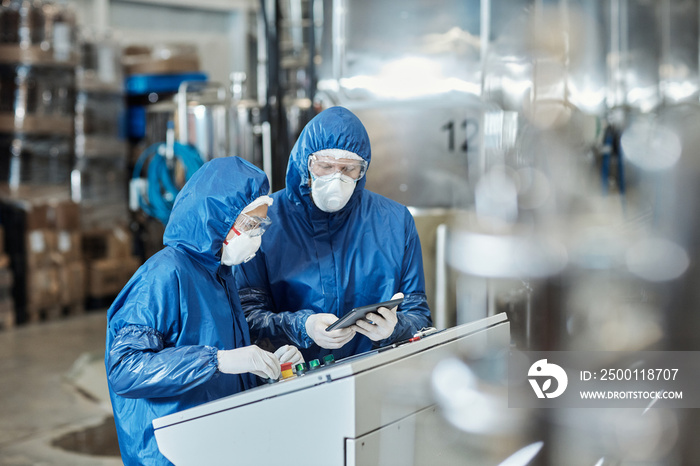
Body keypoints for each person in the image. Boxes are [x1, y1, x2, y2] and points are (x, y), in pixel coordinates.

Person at [105, 156, 303, 466]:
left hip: (211, 441)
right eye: (250, 224)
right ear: (218, 217)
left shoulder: (220, 275)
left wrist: (270, 368)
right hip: (169, 452)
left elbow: (225, 369)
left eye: (261, 225)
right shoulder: (164, 274)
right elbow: (125, 368)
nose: (257, 235)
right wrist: (217, 360)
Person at [236, 106, 433, 363]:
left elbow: (418, 316)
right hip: (293, 381)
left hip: (373, 374)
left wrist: (395, 329)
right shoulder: (267, 221)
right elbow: (245, 316)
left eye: (349, 169)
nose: (336, 179)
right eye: (325, 166)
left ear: (363, 170)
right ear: (305, 162)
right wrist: (303, 326)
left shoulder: (395, 222)